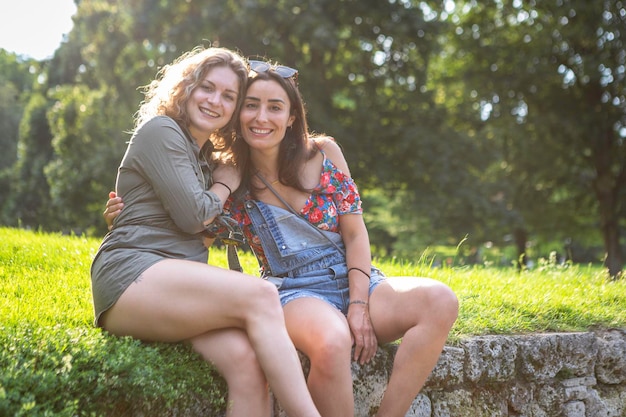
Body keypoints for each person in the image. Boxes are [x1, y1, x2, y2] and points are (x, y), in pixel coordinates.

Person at [105, 58, 459, 417]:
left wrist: (359, 305)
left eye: (275, 107)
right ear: (238, 115)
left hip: (351, 280)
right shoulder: (227, 172)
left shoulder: (324, 154)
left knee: (440, 300)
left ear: (292, 116)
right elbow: (194, 222)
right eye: (251, 105)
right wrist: (127, 213)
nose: (262, 118)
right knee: (332, 339)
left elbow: (355, 234)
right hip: (292, 291)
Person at [91, 47, 322, 417]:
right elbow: (193, 216)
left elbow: (206, 231)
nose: (215, 101)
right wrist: (224, 186)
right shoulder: (161, 130)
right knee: (261, 296)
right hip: (130, 277)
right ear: (186, 88)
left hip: (176, 285)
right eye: (207, 88)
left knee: (247, 363)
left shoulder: (203, 157)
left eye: (229, 96)